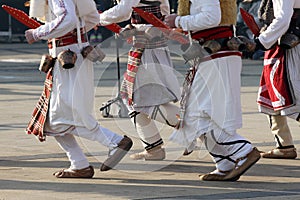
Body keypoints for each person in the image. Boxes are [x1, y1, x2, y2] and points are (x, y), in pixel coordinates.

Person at [25, 0, 133, 178]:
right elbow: (91, 17)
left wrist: (37, 33)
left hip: (68, 57)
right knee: (52, 122)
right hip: (74, 53)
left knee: (63, 118)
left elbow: (67, 18)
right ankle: (79, 164)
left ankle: (116, 142)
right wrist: (76, 35)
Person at [164, 0, 261, 181]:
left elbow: (212, 17)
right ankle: (224, 163)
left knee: (199, 113)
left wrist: (178, 21)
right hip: (215, 54)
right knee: (199, 113)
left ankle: (243, 150)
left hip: (217, 55)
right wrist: (180, 26)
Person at [99, 0, 181, 160]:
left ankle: (198, 128)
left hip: (147, 47)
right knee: (130, 99)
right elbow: (164, 9)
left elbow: (123, 10)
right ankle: (153, 147)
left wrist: (99, 18)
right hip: (148, 44)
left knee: (141, 101)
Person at [255, 0, 300, 159]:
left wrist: (261, 41)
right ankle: (284, 144)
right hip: (280, 41)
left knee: (292, 94)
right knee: (272, 93)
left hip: (289, 42)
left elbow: (282, 18)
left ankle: (284, 144)